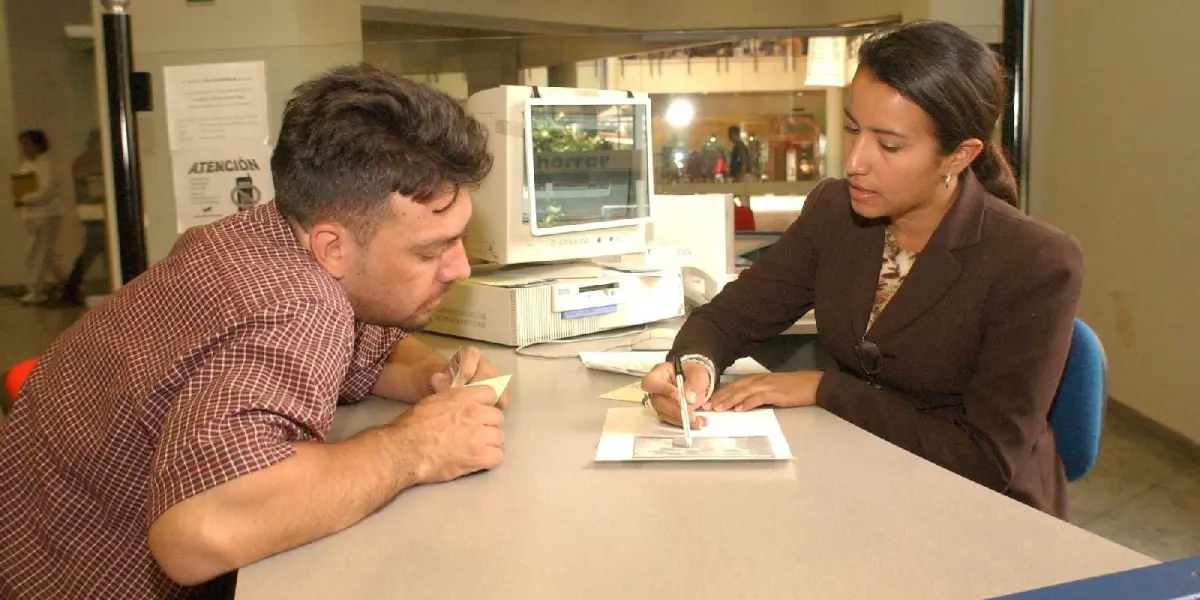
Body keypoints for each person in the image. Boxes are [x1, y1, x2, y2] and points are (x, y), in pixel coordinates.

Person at [0, 65, 507, 599]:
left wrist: (431, 376)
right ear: (332, 246)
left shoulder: (265, 232)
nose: (459, 268)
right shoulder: (299, 304)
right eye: (430, 251)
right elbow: (198, 533)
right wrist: (417, 447)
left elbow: (367, 349)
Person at [641, 21, 1084, 520]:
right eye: (853, 129)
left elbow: (983, 458)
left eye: (888, 145)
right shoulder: (835, 212)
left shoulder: (1035, 260)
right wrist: (694, 368)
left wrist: (825, 388)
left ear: (959, 156)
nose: (854, 161)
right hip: (862, 478)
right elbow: (727, 319)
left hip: (981, 513)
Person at [12, 129, 65, 304]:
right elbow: (22, 189)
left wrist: (24, 199)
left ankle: (36, 291)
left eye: (27, 144)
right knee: (44, 256)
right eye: (22, 145)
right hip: (32, 217)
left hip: (47, 216)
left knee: (38, 255)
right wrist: (21, 199)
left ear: (38, 145)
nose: (24, 148)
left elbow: (46, 192)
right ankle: (68, 283)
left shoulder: (47, 165)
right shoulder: (26, 166)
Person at [56, 128, 108, 306]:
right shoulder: (95, 160)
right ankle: (70, 289)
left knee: (98, 249)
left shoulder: (81, 160)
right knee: (92, 250)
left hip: (90, 211)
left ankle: (71, 289)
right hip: (98, 211)